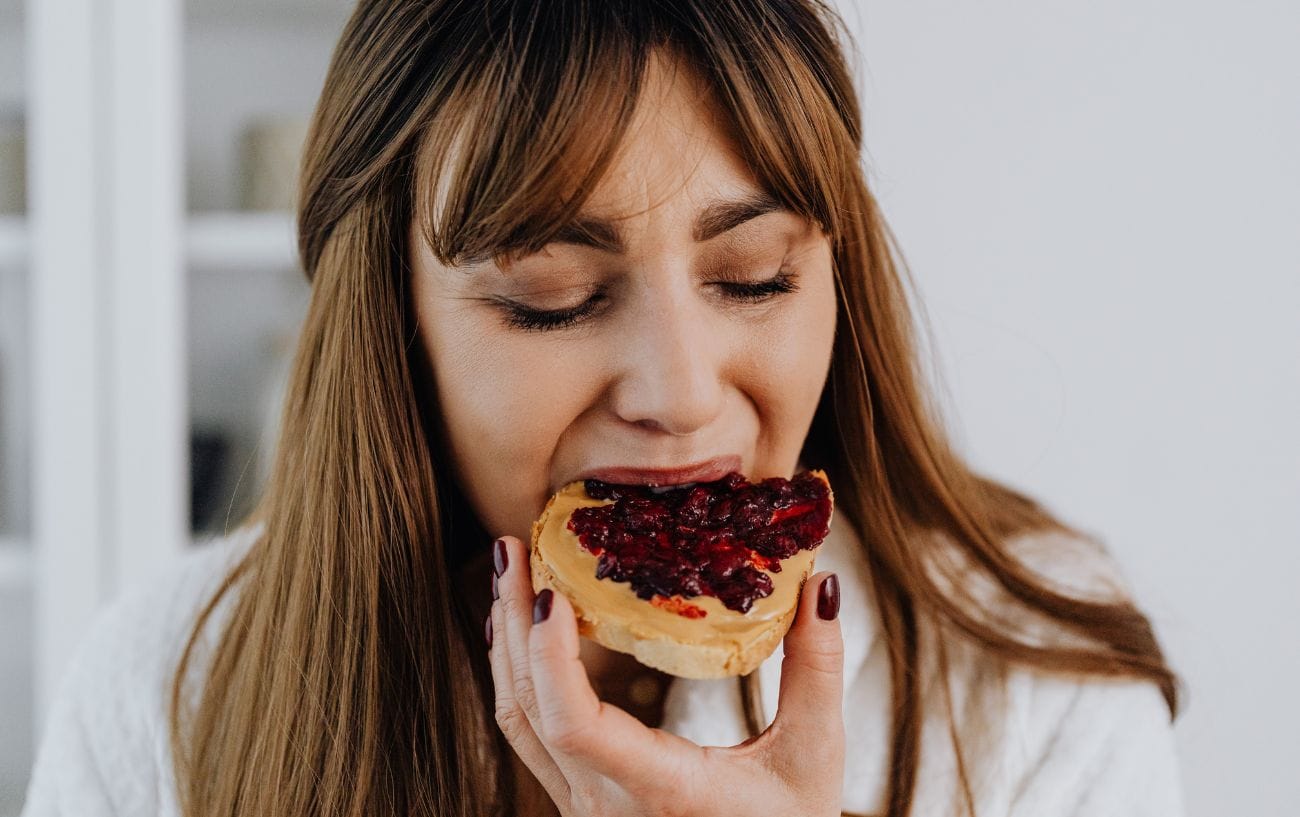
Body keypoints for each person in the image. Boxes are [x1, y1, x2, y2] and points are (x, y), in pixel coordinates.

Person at [22, 1, 1187, 815]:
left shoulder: (1032, 683)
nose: (681, 394)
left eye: (754, 279)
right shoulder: (164, 691)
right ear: (390, 327)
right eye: (554, 300)